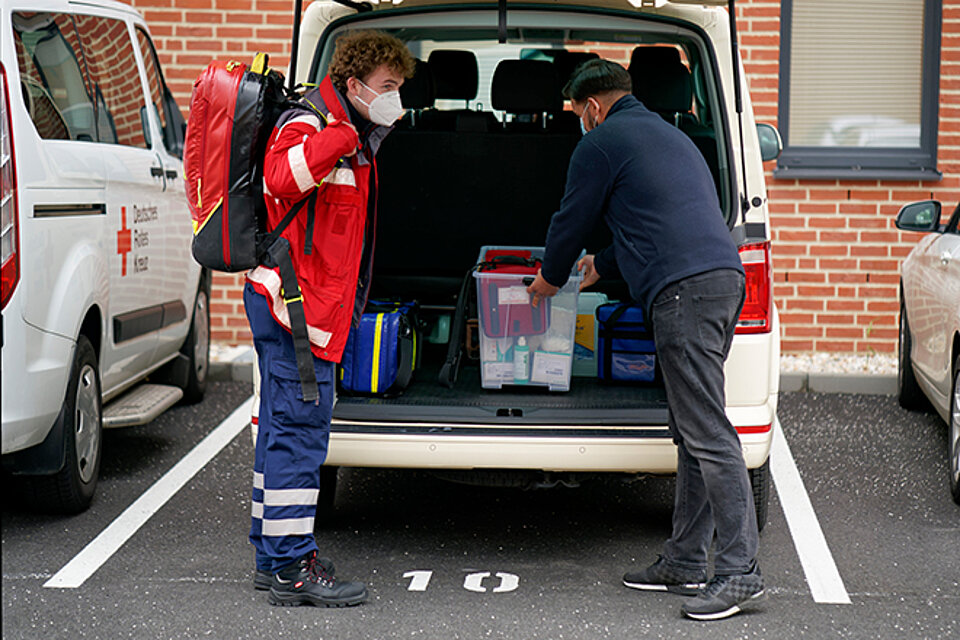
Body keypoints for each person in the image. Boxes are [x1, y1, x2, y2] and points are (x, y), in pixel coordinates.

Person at [526, 59, 763, 621]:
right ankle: (684, 560)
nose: (578, 123)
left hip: (685, 293)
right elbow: (659, 220)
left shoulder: (600, 143)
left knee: (707, 430)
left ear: (592, 107)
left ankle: (739, 572)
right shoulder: (670, 135)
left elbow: (570, 219)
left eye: (575, 113)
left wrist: (550, 278)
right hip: (721, 281)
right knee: (692, 427)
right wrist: (601, 267)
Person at [243, 30, 414, 608]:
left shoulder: (353, 135)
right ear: (353, 82)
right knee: (298, 434)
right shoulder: (312, 123)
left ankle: (273, 557)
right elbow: (281, 177)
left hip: (300, 307)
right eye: (387, 87)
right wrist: (342, 133)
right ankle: (293, 568)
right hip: (297, 308)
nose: (395, 97)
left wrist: (357, 134)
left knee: (280, 432)